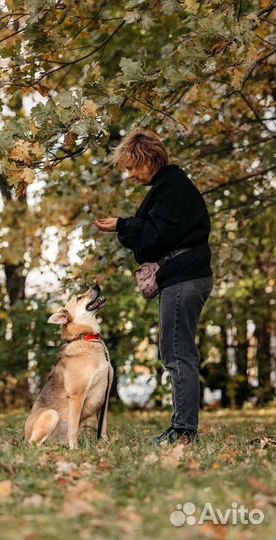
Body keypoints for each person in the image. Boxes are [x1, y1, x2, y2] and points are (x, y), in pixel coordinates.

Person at [93, 127, 213, 446]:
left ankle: (184, 430)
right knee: (177, 350)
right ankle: (183, 427)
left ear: (149, 158)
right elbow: (156, 234)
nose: (131, 175)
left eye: (133, 167)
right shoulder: (171, 187)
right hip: (186, 275)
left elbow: (154, 236)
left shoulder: (172, 188)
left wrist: (121, 225)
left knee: (177, 352)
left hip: (184, 277)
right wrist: (124, 225)